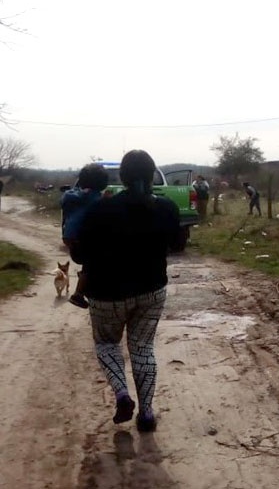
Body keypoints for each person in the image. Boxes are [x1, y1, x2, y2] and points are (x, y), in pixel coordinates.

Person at [71, 150, 180, 433]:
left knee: (107, 345)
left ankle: (121, 394)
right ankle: (146, 414)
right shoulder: (166, 207)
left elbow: (80, 255)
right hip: (152, 290)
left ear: (122, 177)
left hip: (107, 294)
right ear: (151, 174)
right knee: (143, 348)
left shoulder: (100, 209)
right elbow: (178, 244)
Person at [61, 163, 110, 309]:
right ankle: (78, 294)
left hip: (70, 237)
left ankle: (82, 283)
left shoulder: (71, 196)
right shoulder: (94, 198)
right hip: (82, 238)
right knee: (92, 262)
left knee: (88, 263)